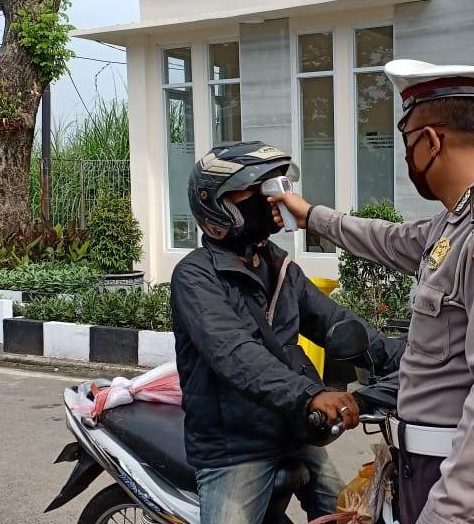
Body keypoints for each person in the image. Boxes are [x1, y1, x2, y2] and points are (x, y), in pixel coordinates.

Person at [270, 60, 474, 524]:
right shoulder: (460, 220)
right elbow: (390, 240)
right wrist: (310, 215)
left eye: (406, 143)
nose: (406, 159)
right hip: (431, 471)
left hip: (471, 490)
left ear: (430, 141)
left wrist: (446, 515)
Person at [171, 141, 402, 524]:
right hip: (236, 447)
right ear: (218, 203)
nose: (274, 199)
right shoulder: (196, 277)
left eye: (277, 187)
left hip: (291, 429)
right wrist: (312, 395)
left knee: (355, 515)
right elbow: (237, 355)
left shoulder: (279, 267)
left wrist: (407, 358)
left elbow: (334, 321)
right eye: (260, 190)